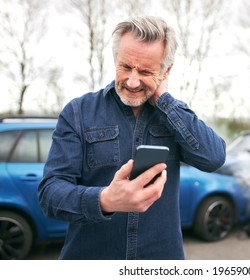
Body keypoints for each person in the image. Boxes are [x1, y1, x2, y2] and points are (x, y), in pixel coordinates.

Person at [38, 16, 226, 260]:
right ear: (115, 59)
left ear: (166, 71)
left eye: (146, 71)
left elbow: (214, 158)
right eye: (125, 67)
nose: (133, 81)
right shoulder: (78, 112)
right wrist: (105, 199)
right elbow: (50, 195)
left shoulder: (175, 116)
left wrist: (164, 102)